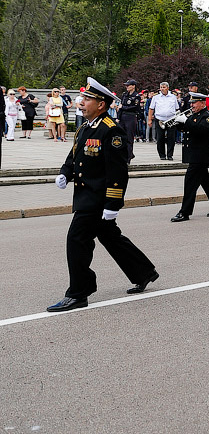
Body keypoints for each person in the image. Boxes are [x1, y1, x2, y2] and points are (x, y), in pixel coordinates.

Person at [47, 77, 158, 312]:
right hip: (85, 195)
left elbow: (118, 171)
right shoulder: (85, 128)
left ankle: (79, 292)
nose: (81, 102)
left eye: (88, 99)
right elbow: (74, 155)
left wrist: (113, 203)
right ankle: (144, 272)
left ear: (101, 104)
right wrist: (65, 173)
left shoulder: (111, 130)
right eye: (83, 98)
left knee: (76, 241)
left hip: (97, 199)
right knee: (110, 237)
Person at [170, 92, 209, 222]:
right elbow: (187, 129)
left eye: (194, 103)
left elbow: (202, 130)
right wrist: (179, 122)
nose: (192, 105)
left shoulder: (208, 116)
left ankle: (184, 212)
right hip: (194, 153)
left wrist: (187, 121)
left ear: (202, 103)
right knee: (206, 182)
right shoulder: (195, 115)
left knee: (190, 182)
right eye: (191, 103)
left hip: (201, 155)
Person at [148, 82, 179, 160]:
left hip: (171, 119)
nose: (162, 89)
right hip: (160, 119)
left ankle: (170, 155)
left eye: (164, 87)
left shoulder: (173, 97)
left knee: (171, 138)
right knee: (160, 138)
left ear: (168, 88)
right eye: (161, 87)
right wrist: (149, 120)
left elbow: (177, 108)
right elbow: (151, 109)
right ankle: (162, 155)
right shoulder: (156, 97)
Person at [119, 79, 142, 163]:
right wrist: (118, 117)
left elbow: (135, 107)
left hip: (131, 117)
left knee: (129, 137)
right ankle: (127, 153)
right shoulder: (125, 95)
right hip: (123, 117)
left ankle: (128, 157)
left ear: (133, 86)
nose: (127, 87)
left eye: (128, 85)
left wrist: (123, 107)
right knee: (121, 137)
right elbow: (121, 107)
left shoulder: (136, 96)